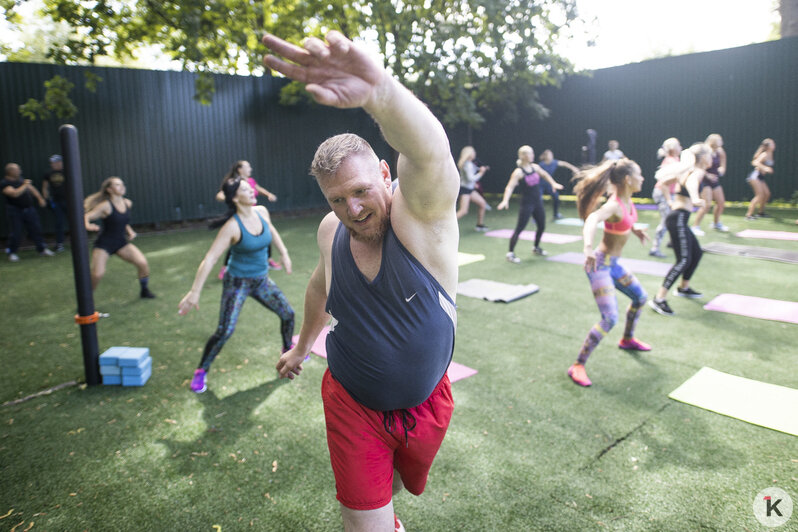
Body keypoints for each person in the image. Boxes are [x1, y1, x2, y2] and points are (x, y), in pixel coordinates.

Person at [264, 30, 459, 532]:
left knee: (393, 491)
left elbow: (432, 153)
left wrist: (380, 93)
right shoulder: (332, 229)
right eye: (336, 199)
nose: (351, 209)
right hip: (351, 401)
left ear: (385, 173)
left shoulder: (420, 221)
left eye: (360, 191)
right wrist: (302, 347)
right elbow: (317, 288)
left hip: (426, 406)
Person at [179, 177, 294, 394]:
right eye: (245, 189)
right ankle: (201, 371)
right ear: (234, 197)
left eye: (250, 187)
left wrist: (285, 254)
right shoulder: (232, 226)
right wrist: (194, 292)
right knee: (225, 331)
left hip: (261, 280)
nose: (251, 190)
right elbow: (211, 258)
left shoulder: (262, 212)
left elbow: (272, 231)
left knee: (288, 314)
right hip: (237, 283)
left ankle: (288, 351)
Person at [568, 158, 651, 387]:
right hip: (599, 265)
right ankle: (577, 365)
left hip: (614, 265)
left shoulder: (628, 202)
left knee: (641, 298)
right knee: (610, 318)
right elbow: (594, 218)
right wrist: (587, 248)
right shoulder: (614, 204)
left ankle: (627, 339)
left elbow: (623, 221)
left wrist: (634, 229)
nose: (643, 178)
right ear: (628, 179)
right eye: (639, 174)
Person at [648, 143, 710, 317]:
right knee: (683, 259)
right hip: (679, 218)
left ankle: (684, 287)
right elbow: (691, 183)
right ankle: (659, 299)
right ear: (703, 157)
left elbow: (665, 183)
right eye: (710, 154)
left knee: (696, 253)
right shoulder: (696, 171)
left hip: (678, 217)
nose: (712, 157)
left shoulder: (687, 170)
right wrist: (696, 198)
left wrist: (670, 200)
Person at [84, 177, 155, 298]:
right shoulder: (105, 206)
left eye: (122, 184)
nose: (122, 187)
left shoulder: (127, 203)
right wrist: (87, 225)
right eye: (117, 185)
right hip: (104, 244)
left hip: (121, 243)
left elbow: (122, 221)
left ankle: (144, 291)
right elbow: (86, 216)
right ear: (109, 189)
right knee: (97, 274)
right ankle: (86, 300)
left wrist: (130, 231)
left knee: (142, 263)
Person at [215, 160, 281, 278]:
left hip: (254, 216)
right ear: (240, 169)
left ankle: (268, 260)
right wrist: (232, 197)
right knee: (238, 244)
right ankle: (226, 267)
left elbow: (258, 189)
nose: (250, 168)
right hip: (242, 218)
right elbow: (220, 195)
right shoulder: (234, 183)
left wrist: (268, 194)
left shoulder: (250, 181)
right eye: (247, 166)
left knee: (266, 236)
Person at [497, 145, 563, 262]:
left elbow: (545, 175)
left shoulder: (535, 167)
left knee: (541, 226)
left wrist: (553, 183)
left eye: (532, 153)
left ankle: (536, 247)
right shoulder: (518, 172)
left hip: (538, 202)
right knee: (520, 228)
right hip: (527, 204)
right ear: (522, 156)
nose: (532, 155)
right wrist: (505, 200)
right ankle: (510, 253)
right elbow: (509, 187)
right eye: (529, 153)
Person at [1, 163, 54, 262]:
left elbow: (32, 189)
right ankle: (12, 253)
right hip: (15, 211)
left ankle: (42, 249)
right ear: (10, 171)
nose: (20, 171)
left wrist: (40, 198)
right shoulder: (5, 183)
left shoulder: (20, 179)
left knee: (36, 229)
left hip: (29, 209)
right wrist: (25, 185)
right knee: (16, 232)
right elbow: (14, 194)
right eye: (17, 169)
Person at [649, 138, 681, 258]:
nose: (681, 147)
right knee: (666, 220)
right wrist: (669, 200)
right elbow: (663, 184)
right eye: (679, 145)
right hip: (663, 194)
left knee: (673, 218)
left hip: (669, 194)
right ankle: (655, 248)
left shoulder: (676, 160)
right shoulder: (670, 162)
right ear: (673, 149)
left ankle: (672, 241)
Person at [691, 134, 728, 234]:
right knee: (706, 205)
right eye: (719, 140)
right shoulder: (705, 151)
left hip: (714, 180)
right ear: (712, 141)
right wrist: (707, 175)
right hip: (704, 180)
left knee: (721, 203)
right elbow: (698, 166)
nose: (721, 142)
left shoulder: (720, 151)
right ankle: (695, 226)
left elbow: (723, 163)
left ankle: (716, 223)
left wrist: (721, 169)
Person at [455, 146, 490, 231]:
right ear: (469, 154)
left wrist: (474, 184)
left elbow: (468, 177)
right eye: (473, 152)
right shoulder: (467, 164)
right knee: (463, 211)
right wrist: (481, 173)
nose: (475, 154)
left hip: (469, 189)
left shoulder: (468, 164)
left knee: (482, 204)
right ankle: (446, 224)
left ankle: (480, 225)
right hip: (465, 190)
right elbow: (471, 178)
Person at [538, 149, 578, 220]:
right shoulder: (541, 165)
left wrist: (574, 168)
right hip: (539, 185)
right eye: (549, 155)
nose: (551, 156)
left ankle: (555, 214)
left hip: (549, 184)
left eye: (551, 154)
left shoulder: (554, 162)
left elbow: (564, 164)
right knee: (538, 200)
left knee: (556, 198)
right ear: (545, 156)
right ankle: (536, 217)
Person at [42, 154, 69, 251]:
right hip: (56, 202)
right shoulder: (48, 173)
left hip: (69, 201)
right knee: (59, 223)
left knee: (75, 221)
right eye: (52, 162)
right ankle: (59, 244)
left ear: (60, 162)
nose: (54, 164)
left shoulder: (68, 170)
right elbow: (45, 187)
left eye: (56, 162)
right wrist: (46, 199)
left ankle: (80, 241)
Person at [745, 138, 775, 220]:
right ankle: (748, 215)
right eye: (772, 143)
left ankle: (760, 212)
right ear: (768, 146)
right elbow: (754, 162)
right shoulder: (764, 154)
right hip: (755, 176)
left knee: (767, 194)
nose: (774, 145)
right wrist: (765, 168)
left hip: (760, 177)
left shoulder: (770, 153)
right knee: (759, 195)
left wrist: (766, 169)